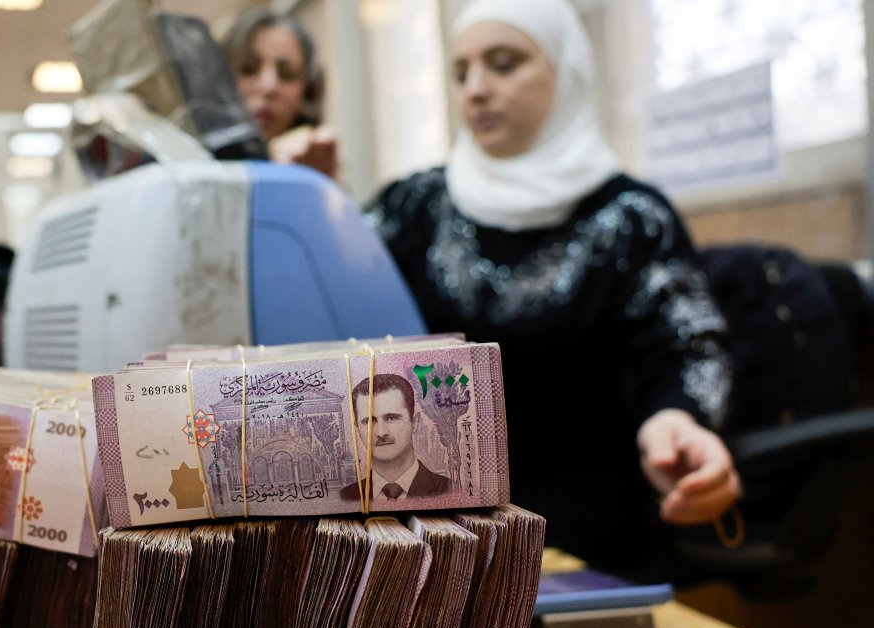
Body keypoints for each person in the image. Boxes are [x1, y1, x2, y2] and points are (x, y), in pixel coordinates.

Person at [365, 0, 740, 578]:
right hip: (433, 534)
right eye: (461, 72)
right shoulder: (415, 206)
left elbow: (686, 345)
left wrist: (678, 419)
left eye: (504, 63)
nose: (476, 89)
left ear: (567, 73)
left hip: (591, 540)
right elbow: (324, 297)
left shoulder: (631, 217)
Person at [221, 8, 338, 178]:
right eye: (248, 69)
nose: (268, 87)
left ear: (308, 91)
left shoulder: (317, 172)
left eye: (287, 74)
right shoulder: (190, 168)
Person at [340, 373, 452, 501]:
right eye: (370, 421)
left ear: (414, 422)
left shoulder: (450, 490)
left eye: (391, 418)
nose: (381, 433)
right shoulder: (346, 498)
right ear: (357, 430)